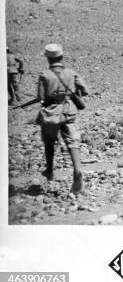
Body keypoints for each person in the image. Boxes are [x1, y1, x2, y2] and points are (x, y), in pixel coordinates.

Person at [36, 44, 88, 193]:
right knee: (72, 141)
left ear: (48, 58)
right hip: (69, 110)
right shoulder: (71, 73)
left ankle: (50, 170)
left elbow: (41, 98)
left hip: (52, 113)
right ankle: (77, 169)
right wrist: (71, 94)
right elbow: (84, 90)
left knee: (49, 141)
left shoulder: (44, 75)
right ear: (61, 57)